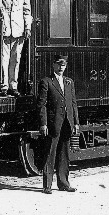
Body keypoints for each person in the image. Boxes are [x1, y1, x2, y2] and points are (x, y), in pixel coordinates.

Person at [36, 55, 80, 194]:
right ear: (54, 65)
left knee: (64, 154)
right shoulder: (46, 81)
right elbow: (41, 105)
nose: (61, 67)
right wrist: (43, 124)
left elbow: (73, 104)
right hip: (53, 123)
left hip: (67, 123)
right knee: (50, 153)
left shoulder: (69, 82)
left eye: (63, 65)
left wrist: (76, 123)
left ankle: (64, 183)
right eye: (59, 64)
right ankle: (47, 185)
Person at [0, 0, 32, 96]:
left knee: (16, 59)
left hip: (19, 30)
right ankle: (3, 85)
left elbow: (27, 12)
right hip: (5, 30)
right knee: (3, 59)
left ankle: (13, 85)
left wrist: (28, 27)